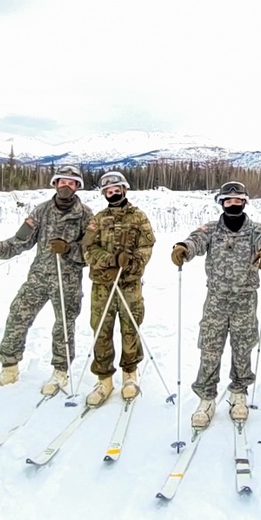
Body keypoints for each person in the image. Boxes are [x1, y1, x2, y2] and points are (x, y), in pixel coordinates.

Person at [171, 181, 261, 429]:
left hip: (245, 299)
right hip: (217, 299)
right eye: (228, 201)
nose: (233, 205)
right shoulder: (211, 229)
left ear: (245, 202)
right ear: (221, 203)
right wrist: (183, 247)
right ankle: (207, 397)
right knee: (210, 347)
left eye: (238, 200)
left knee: (243, 347)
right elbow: (195, 239)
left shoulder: (255, 230)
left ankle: (239, 392)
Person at [0, 165, 93, 396]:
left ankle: (61, 370)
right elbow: (20, 241)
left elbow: (90, 252)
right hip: (39, 277)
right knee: (17, 314)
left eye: (71, 183)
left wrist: (69, 249)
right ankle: (9, 368)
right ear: (55, 183)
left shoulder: (85, 215)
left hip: (68, 279)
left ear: (77, 187)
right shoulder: (41, 212)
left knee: (64, 325)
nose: (66, 186)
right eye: (62, 181)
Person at [82, 170, 155, 407]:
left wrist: (132, 262)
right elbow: (88, 249)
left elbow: (147, 246)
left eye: (116, 190)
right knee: (101, 329)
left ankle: (130, 374)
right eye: (108, 191)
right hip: (102, 284)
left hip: (129, 285)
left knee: (130, 327)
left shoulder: (138, 217)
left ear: (124, 189)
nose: (112, 194)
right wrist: (110, 260)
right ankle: (104, 379)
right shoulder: (98, 219)